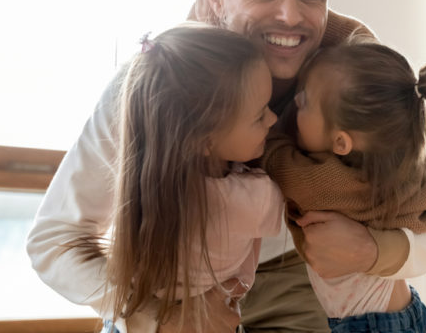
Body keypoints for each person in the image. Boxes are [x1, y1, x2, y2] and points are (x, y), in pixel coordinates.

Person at [26, 0, 426, 331]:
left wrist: (372, 250)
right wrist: (153, 311)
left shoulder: (350, 78)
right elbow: (54, 239)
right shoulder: (159, 84)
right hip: (168, 282)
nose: (290, 16)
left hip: (298, 278)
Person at [261, 39, 426, 333]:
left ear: (341, 142)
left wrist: (265, 123)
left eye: (306, 101)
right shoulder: (397, 177)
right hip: (408, 312)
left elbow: (275, 159)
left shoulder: (323, 186)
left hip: (370, 326)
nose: (296, 101)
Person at [81, 24, 280, 332]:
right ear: (204, 140)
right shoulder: (253, 199)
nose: (274, 118)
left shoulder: (146, 185)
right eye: (260, 115)